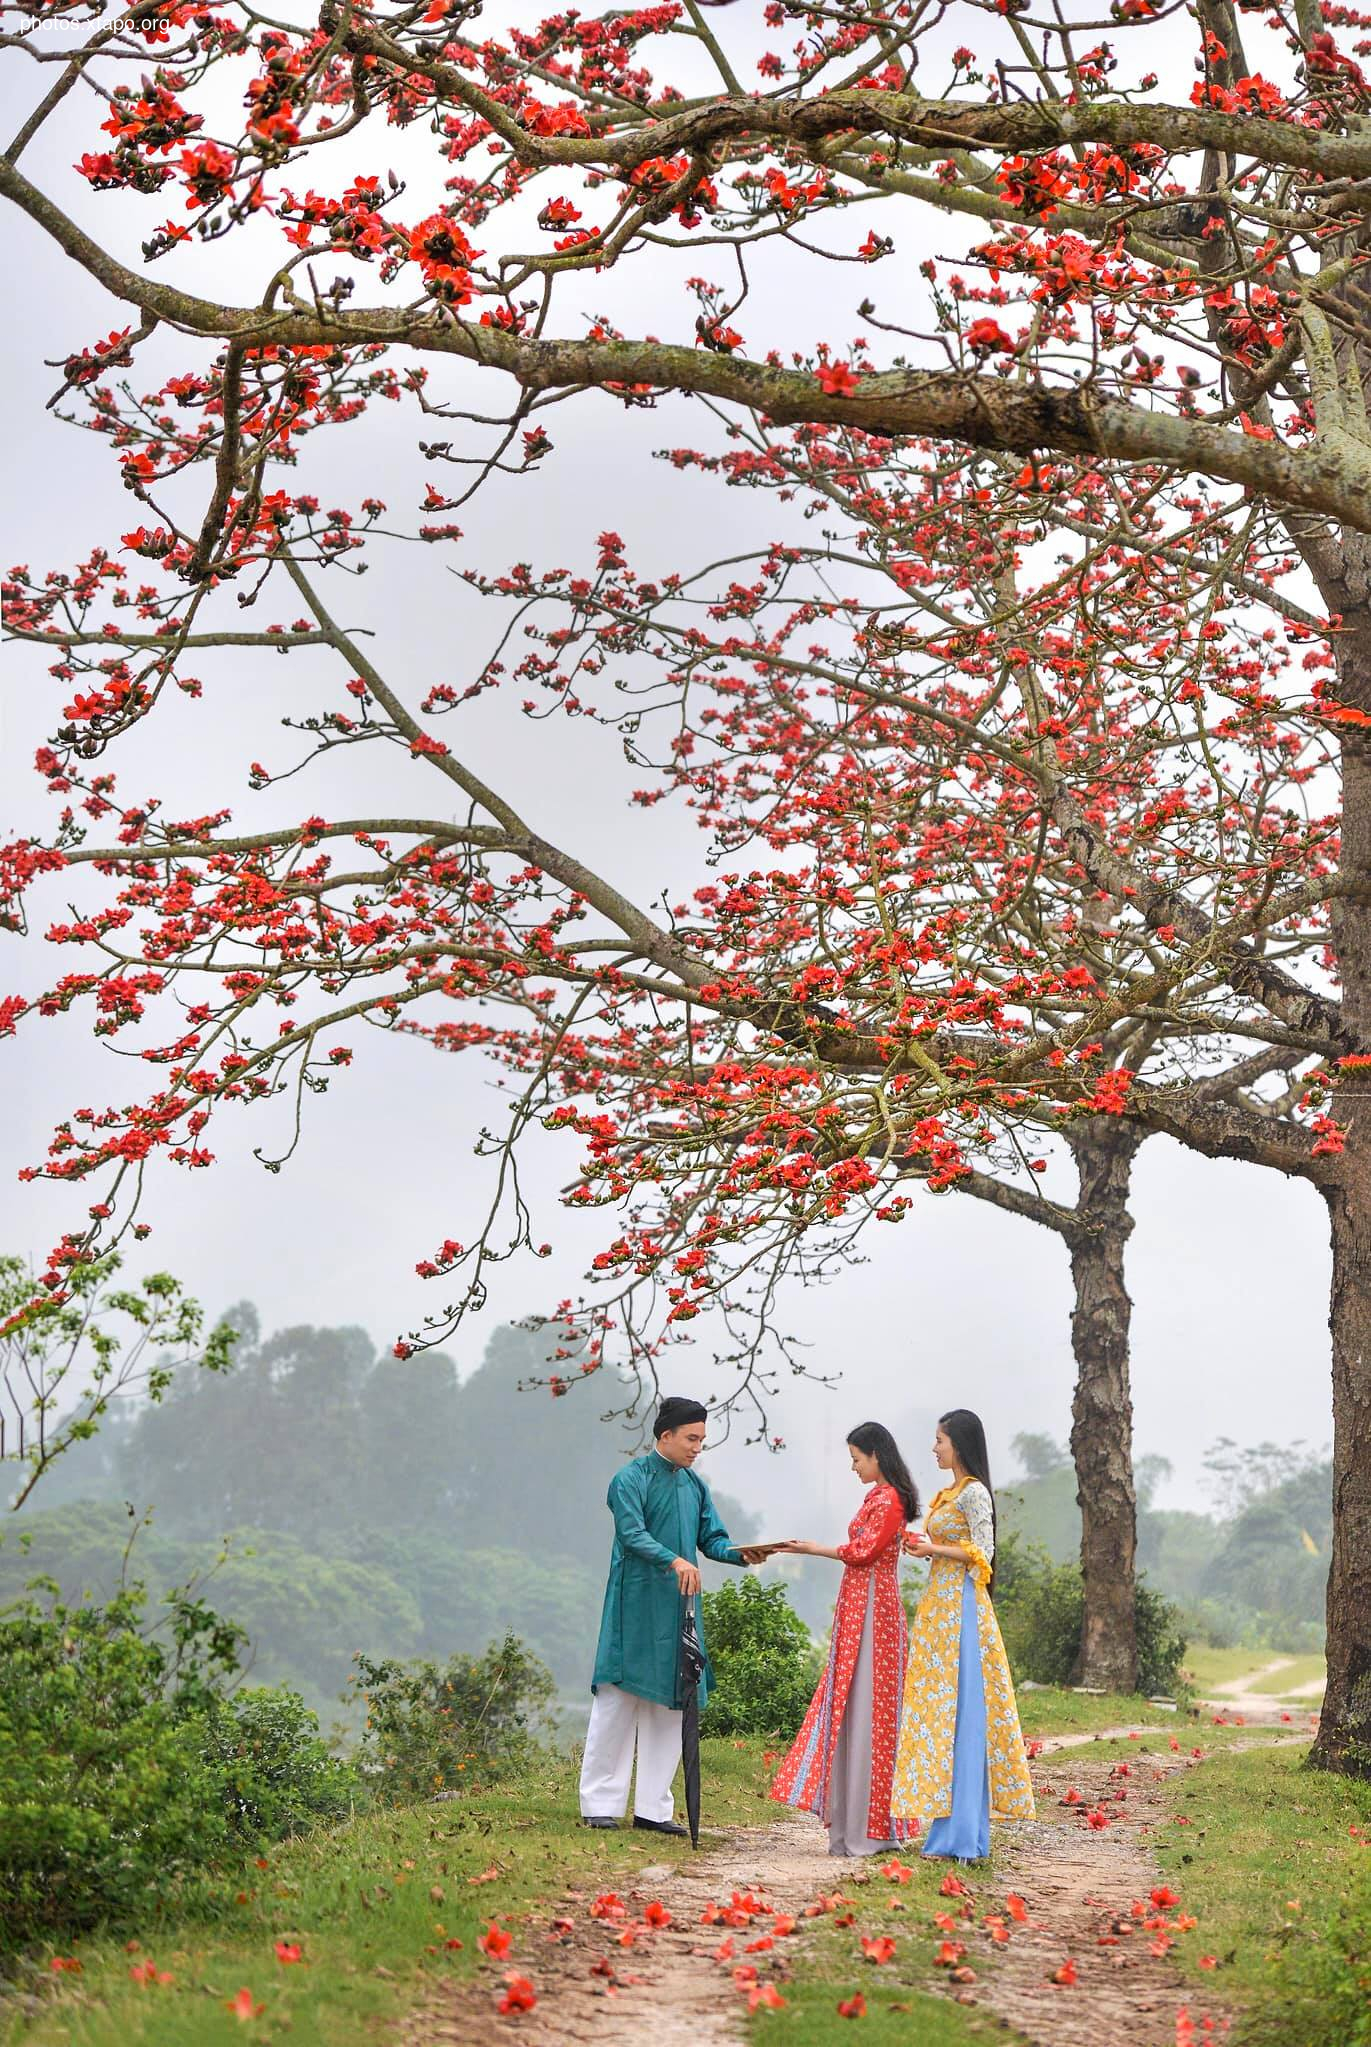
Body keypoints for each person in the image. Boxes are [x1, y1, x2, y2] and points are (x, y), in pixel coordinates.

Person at [580, 1395, 763, 1835]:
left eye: (701, 1439)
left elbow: (712, 1539)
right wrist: (675, 1561)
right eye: (691, 1438)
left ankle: (654, 1809)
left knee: (673, 1703)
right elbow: (631, 1534)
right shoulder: (630, 1480)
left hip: (681, 1609)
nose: (697, 1447)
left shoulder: (694, 1486)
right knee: (619, 1699)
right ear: (666, 1435)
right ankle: (599, 1802)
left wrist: (744, 1554)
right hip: (636, 1605)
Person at [769, 1422, 919, 1857]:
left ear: (876, 1454)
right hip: (859, 1606)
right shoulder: (877, 1497)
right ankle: (855, 1826)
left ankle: (870, 1829)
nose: (853, 1467)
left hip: (875, 1610)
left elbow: (863, 1552)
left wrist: (815, 1549)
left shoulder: (890, 1499)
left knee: (870, 1712)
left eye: (856, 1458)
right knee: (854, 1709)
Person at [891, 1409, 1034, 1860]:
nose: (934, 1448)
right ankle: (949, 1831)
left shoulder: (973, 1494)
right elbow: (949, 1552)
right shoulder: (947, 1494)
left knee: (965, 1717)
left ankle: (964, 1834)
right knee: (942, 1717)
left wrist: (932, 1547)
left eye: (940, 1440)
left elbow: (983, 1553)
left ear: (960, 1444)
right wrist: (923, 1548)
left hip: (965, 1609)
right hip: (939, 1607)